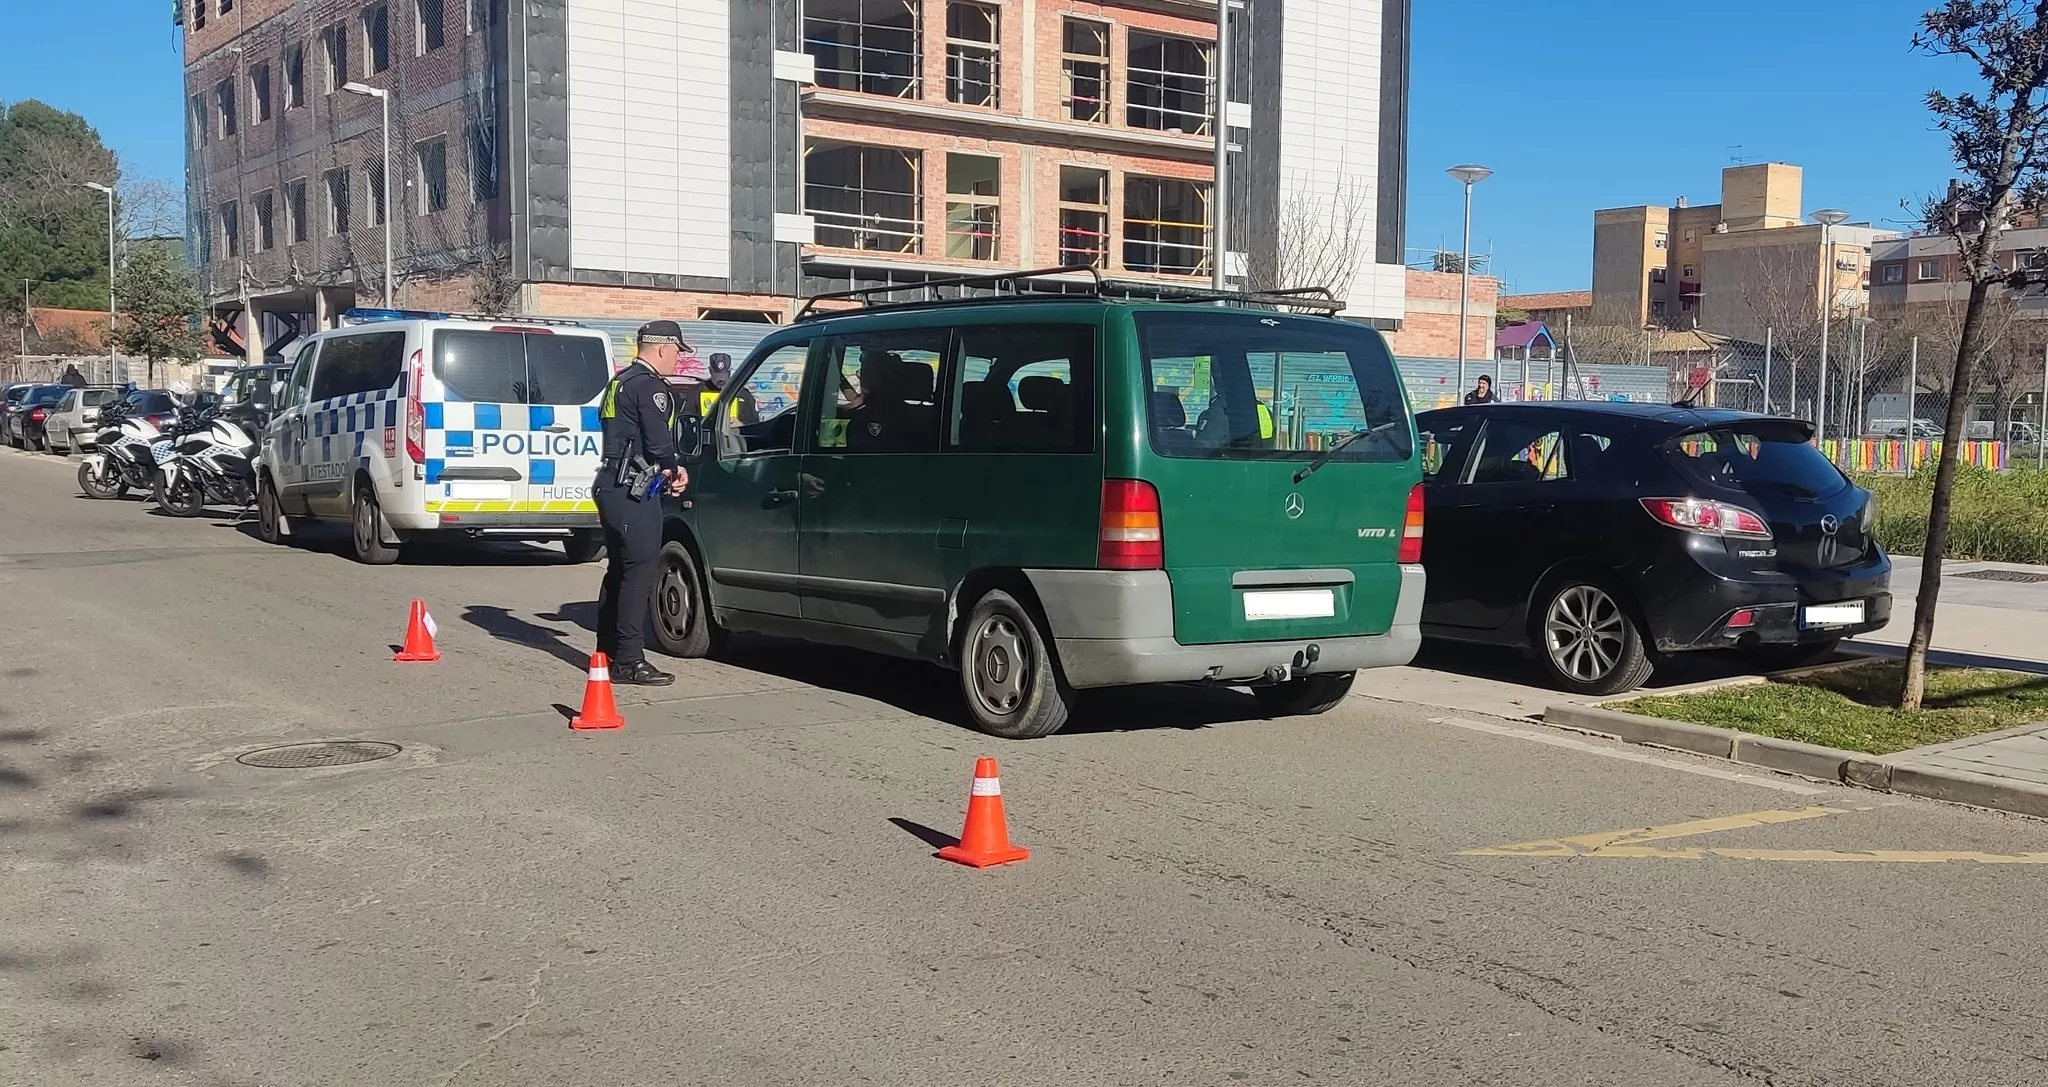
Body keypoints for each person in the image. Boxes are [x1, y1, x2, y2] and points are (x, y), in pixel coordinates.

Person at [594, 320, 692, 686]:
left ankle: (606, 655)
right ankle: (629, 661)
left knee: (620, 571)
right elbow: (657, 441)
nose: (678, 359)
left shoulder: (619, 381)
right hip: (633, 489)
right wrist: (674, 468)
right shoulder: (650, 387)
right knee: (639, 573)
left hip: (612, 485)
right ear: (663, 348)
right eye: (677, 352)